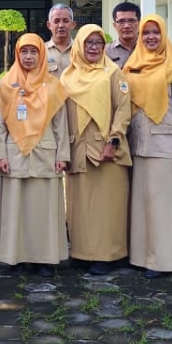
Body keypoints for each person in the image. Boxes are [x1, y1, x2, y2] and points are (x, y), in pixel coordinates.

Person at [0, 33, 70, 277]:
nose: (28, 57)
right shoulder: (6, 85)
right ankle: (14, 259)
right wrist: (0, 155)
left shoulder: (54, 85)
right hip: (14, 154)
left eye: (33, 52)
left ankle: (43, 260)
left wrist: (62, 155)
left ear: (41, 54)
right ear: (17, 54)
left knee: (44, 210)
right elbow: (0, 124)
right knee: (15, 209)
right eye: (24, 52)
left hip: (45, 154)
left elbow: (61, 124)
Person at [60, 24, 132, 275]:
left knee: (107, 206)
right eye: (88, 42)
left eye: (98, 43)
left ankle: (107, 255)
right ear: (79, 45)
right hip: (77, 149)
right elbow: (61, 116)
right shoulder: (67, 76)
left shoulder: (113, 72)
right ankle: (82, 253)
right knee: (79, 206)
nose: (93, 47)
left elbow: (123, 110)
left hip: (105, 150)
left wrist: (113, 141)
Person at [123, 15, 172, 278]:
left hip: (164, 143)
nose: (151, 37)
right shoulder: (132, 66)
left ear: (163, 35)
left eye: (156, 32)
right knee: (140, 204)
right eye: (146, 33)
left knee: (162, 204)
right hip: (137, 143)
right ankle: (141, 257)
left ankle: (163, 261)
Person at [45, 3, 77, 77]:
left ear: (73, 24)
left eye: (65, 21)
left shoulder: (81, 50)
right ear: (49, 25)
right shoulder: (41, 51)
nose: (61, 25)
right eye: (56, 21)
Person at [105, 1, 140, 68]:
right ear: (115, 25)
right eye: (121, 21)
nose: (126, 26)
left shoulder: (148, 48)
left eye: (131, 21)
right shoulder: (106, 52)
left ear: (139, 23)